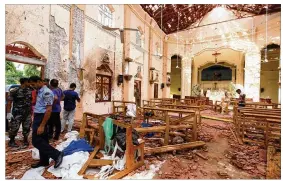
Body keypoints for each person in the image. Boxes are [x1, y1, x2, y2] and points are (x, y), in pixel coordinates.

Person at [28, 76, 63, 168]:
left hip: (41, 118)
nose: (32, 86)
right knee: (43, 140)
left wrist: (42, 125)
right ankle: (44, 161)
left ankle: (56, 154)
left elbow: (48, 110)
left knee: (36, 141)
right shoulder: (40, 91)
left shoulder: (46, 92)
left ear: (39, 81)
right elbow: (50, 101)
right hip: (38, 116)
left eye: (33, 84)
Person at [6, 78, 32, 148]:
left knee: (27, 127)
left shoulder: (31, 90)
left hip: (27, 113)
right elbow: (9, 102)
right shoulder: (14, 91)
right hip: (17, 113)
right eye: (29, 82)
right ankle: (11, 141)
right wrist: (8, 113)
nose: (30, 83)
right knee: (14, 127)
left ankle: (25, 140)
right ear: (25, 82)